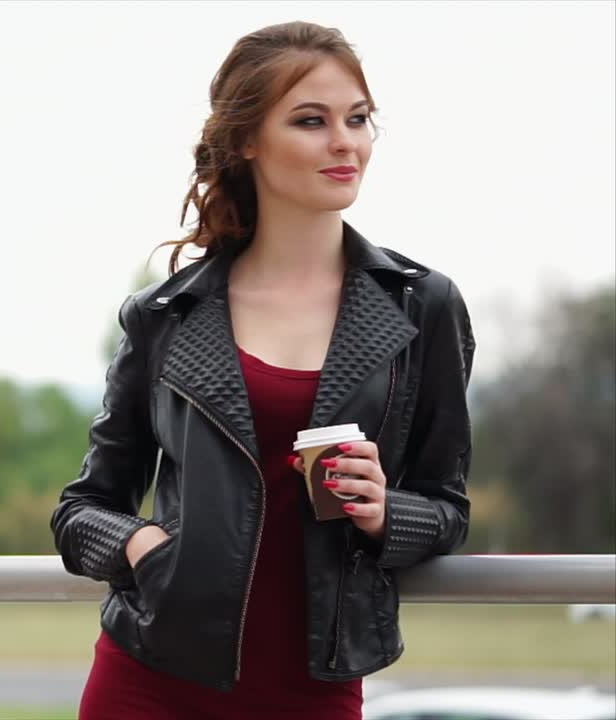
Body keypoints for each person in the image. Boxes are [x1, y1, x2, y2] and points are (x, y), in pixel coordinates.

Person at [48, 20, 476, 720]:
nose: (346, 142)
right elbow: (81, 510)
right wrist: (145, 546)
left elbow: (447, 510)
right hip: (149, 681)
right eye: (312, 121)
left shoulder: (422, 306)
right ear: (247, 140)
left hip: (314, 690)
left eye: (359, 119)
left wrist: (384, 512)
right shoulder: (167, 315)